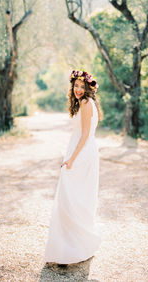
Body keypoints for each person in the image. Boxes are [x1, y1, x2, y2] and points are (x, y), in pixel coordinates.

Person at [44, 70, 103, 266]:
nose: (78, 89)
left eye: (82, 86)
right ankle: (70, 246)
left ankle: (73, 247)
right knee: (76, 197)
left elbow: (85, 134)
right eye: (76, 86)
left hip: (82, 153)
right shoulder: (83, 103)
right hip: (82, 151)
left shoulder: (86, 103)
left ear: (88, 88)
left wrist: (71, 159)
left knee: (71, 197)